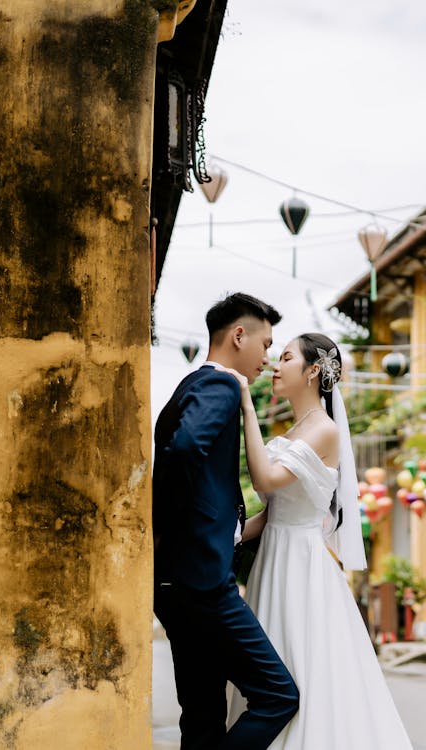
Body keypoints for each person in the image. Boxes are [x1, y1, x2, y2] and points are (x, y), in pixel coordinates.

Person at [224, 332, 413, 750]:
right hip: (274, 558)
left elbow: (266, 480)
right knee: (272, 668)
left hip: (302, 566)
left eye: (286, 357)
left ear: (312, 371)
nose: (276, 364)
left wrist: (246, 404)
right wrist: (227, 538)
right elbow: (273, 513)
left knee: (303, 668)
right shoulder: (297, 428)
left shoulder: (325, 430)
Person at [153, 293, 299, 750]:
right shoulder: (219, 387)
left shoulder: (189, 385)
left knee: (201, 715)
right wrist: (192, 533)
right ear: (239, 336)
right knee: (278, 695)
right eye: (266, 343)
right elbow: (181, 453)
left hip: (175, 582)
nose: (268, 358)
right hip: (202, 583)